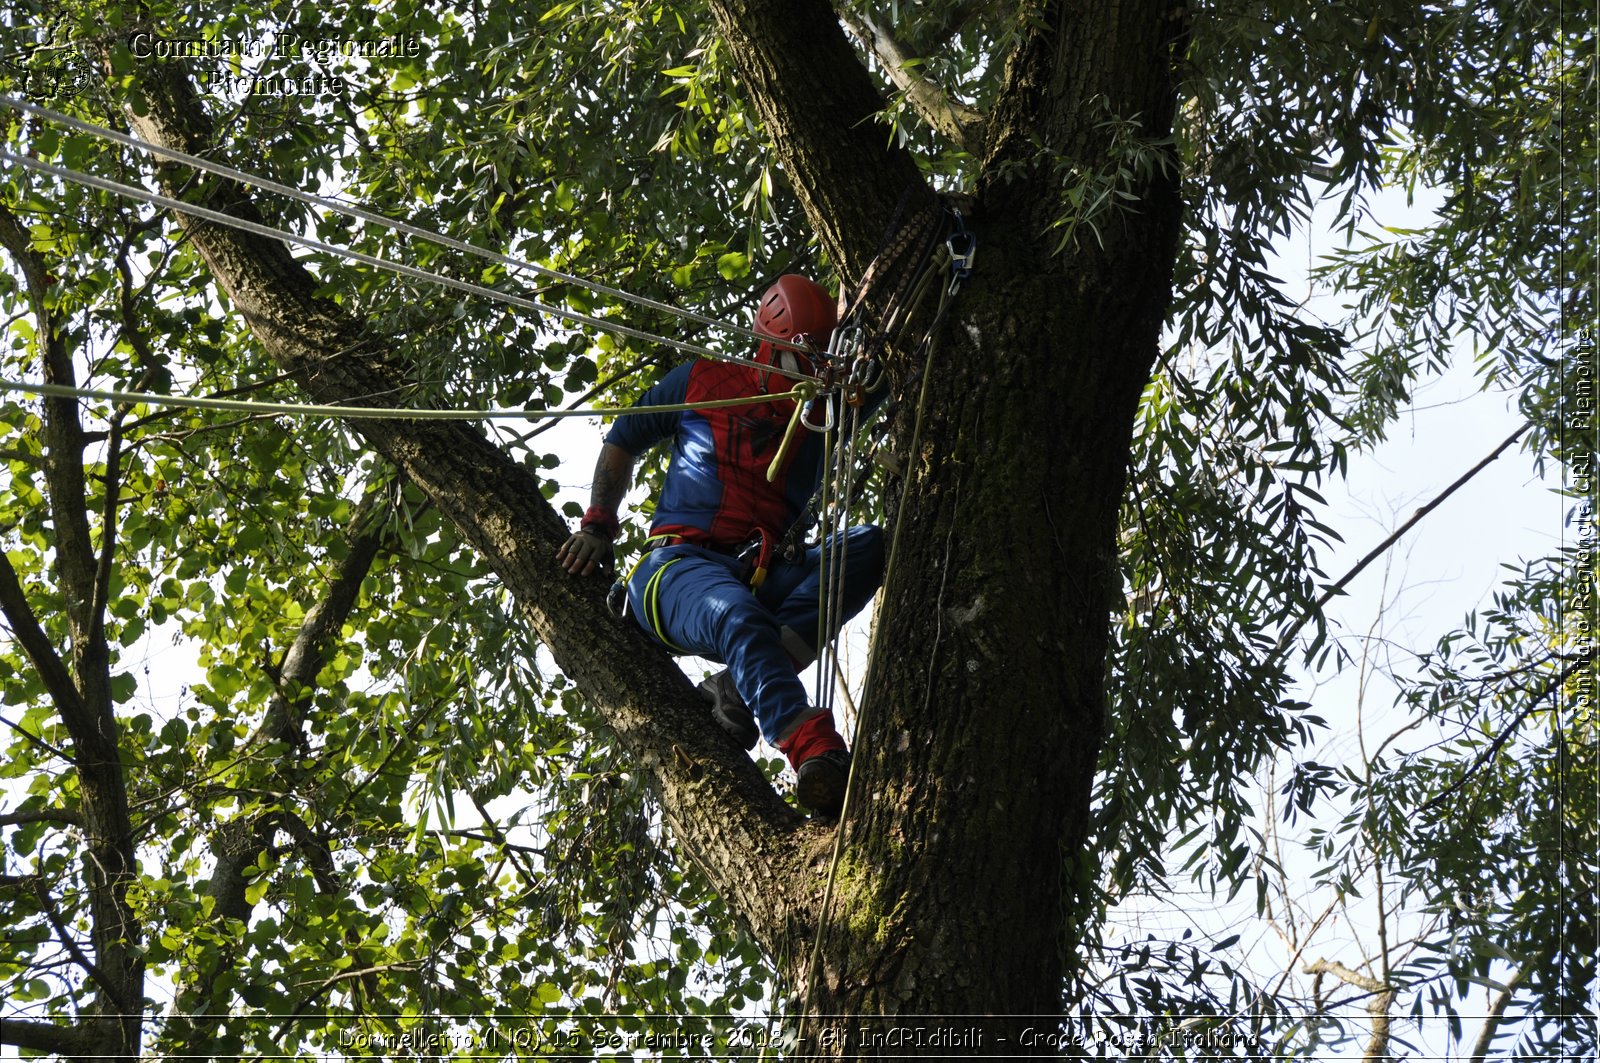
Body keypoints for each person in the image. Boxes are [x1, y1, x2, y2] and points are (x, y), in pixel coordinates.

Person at [556, 275, 884, 817]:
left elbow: (887, 355)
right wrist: (597, 525)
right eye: (810, 357)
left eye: (828, 357)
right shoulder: (705, 380)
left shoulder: (831, 411)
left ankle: (739, 686)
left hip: (757, 578)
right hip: (675, 571)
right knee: (732, 612)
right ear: (774, 346)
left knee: (866, 546)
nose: (822, 370)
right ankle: (804, 741)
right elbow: (624, 436)